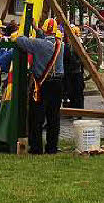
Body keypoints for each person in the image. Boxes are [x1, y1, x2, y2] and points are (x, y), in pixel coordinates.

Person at [14, 18, 65, 154]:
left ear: (44, 29)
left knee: (37, 117)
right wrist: (37, 29)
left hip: (42, 85)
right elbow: (46, 40)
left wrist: (20, 33)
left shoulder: (38, 44)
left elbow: (20, 41)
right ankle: (52, 147)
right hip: (58, 83)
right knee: (53, 117)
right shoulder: (61, 44)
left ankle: (36, 148)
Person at [63, 25, 86, 109]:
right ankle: (78, 110)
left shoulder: (70, 47)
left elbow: (68, 60)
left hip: (72, 72)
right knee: (77, 93)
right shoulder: (79, 45)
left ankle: (75, 110)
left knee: (73, 92)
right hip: (78, 72)